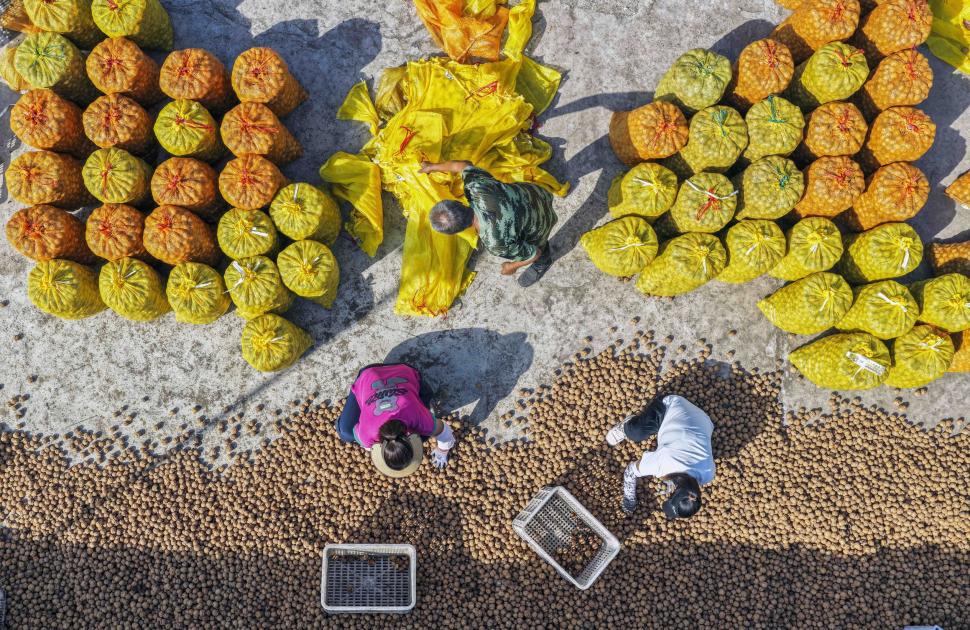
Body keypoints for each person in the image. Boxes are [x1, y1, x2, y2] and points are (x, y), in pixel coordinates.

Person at [419, 160, 557, 287]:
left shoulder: (495, 243)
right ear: (458, 202)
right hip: (538, 195)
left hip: (542, 223)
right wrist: (431, 167)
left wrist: (512, 267)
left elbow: (534, 253)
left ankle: (543, 263)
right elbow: (463, 165)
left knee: (538, 246)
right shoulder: (477, 187)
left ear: (459, 231)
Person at [334, 363, 455, 478]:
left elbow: (444, 431)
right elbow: (366, 442)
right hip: (371, 375)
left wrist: (442, 451)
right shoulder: (366, 436)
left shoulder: (420, 419)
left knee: (423, 435)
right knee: (345, 432)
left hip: (401, 371)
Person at [606, 394, 715, 520]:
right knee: (636, 433)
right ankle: (625, 428)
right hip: (672, 405)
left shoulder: (708, 474)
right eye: (670, 497)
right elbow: (630, 472)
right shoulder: (662, 464)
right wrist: (629, 501)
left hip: (704, 420)